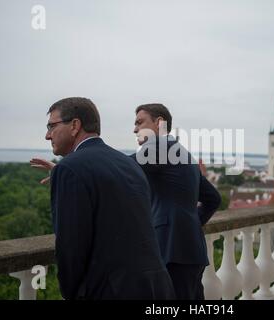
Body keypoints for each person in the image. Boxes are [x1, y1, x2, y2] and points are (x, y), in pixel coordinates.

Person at [36, 97, 174, 300]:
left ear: (75, 125)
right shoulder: (128, 163)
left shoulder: (69, 168)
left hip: (112, 291)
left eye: (51, 126)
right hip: (157, 286)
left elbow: (70, 246)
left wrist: (71, 293)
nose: (48, 135)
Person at [133, 104, 221, 300]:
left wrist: (72, 169)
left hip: (172, 249)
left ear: (159, 123)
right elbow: (213, 199)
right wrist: (189, 222)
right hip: (190, 249)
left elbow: (121, 167)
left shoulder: (159, 146)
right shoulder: (182, 153)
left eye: (140, 122)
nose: (135, 129)